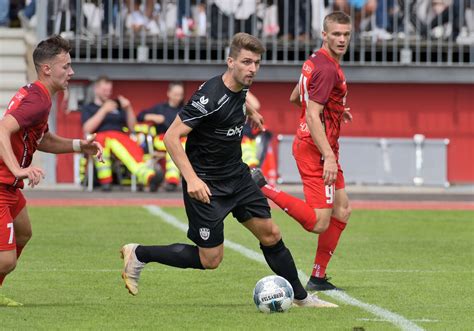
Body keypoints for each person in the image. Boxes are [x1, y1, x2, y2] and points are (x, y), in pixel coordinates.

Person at [120, 32, 337, 308]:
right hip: (207, 185)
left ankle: (302, 298)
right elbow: (171, 138)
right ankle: (139, 254)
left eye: (257, 63)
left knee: (270, 233)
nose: (253, 69)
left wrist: (250, 112)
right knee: (211, 259)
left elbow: (238, 97)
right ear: (230, 62)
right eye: (247, 62)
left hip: (237, 176)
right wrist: (192, 180)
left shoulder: (242, 85)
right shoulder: (209, 97)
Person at [252, 11, 353, 292]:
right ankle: (263, 188)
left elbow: (296, 97)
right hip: (317, 150)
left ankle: (318, 277)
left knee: (342, 210)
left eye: (346, 34)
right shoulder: (328, 69)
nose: (342, 39)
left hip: (321, 146)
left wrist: (335, 110)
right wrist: (329, 157)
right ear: (324, 34)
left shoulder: (314, 61)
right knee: (320, 222)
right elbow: (310, 114)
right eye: (336, 34)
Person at [0, 35, 103, 306]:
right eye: (66, 66)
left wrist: (82, 146)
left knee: (23, 232)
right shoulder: (39, 101)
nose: (72, 72)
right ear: (47, 69)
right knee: (6, 261)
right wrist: (18, 170)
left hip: (8, 184)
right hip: (1, 183)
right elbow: (2, 129)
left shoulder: (39, 96)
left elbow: (43, 139)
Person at [81, 76, 161, 192]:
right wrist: (103, 110)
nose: (107, 94)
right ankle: (145, 175)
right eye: (104, 90)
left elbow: (132, 127)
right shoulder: (89, 108)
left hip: (120, 138)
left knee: (126, 144)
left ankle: (146, 176)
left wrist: (128, 108)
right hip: (99, 139)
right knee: (104, 139)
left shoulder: (117, 108)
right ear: (96, 89)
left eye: (109, 91)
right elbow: (87, 128)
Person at [137, 81, 185, 192]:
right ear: (169, 93)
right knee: (174, 145)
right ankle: (171, 180)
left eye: (180, 95)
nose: (178, 97)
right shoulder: (160, 108)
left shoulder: (184, 109)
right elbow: (140, 116)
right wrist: (153, 117)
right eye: (176, 94)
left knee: (177, 145)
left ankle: (172, 180)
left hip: (181, 138)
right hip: (161, 138)